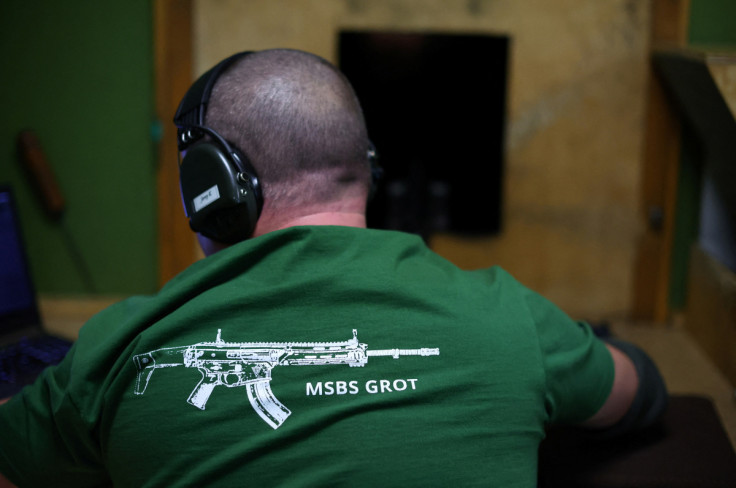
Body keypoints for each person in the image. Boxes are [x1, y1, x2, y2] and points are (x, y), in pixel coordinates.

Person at [0, 49, 667, 487]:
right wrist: (562, 352)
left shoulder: (121, 342)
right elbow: (640, 393)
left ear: (213, 186)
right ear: (366, 169)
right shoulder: (509, 314)